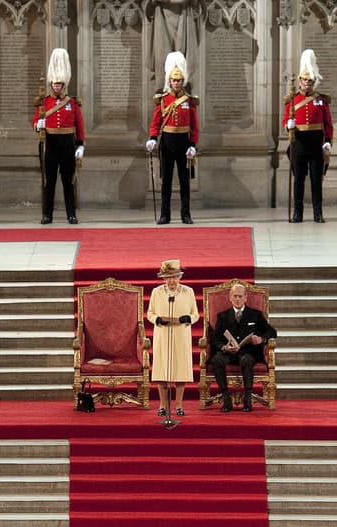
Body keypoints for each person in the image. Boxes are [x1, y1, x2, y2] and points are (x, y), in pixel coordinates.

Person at [146, 51, 199, 225]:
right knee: (166, 181)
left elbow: (194, 125)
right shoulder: (162, 100)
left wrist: (193, 145)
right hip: (167, 142)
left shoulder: (189, 101)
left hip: (184, 142)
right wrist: (153, 138)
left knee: (184, 181)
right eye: (173, 80)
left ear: (183, 81)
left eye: (179, 80)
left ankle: (186, 214)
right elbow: (156, 121)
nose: (176, 83)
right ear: (169, 81)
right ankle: (165, 214)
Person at [207, 283, 276, 413]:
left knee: (247, 361)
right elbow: (215, 339)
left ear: (245, 297)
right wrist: (224, 347)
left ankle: (248, 398)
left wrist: (261, 339)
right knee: (216, 360)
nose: (237, 299)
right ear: (230, 298)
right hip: (228, 352)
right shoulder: (222, 316)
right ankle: (226, 397)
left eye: (240, 296)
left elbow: (272, 332)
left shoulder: (256, 314)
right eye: (235, 296)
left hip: (247, 352)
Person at [33, 49, 83, 225]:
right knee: (50, 182)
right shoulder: (44, 102)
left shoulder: (71, 103)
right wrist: (38, 125)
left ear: (64, 84)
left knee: (68, 181)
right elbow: (35, 121)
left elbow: (79, 125)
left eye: (59, 84)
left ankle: (71, 214)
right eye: (54, 84)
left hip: (67, 145)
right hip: (50, 146)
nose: (56, 86)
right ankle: (47, 214)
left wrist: (80, 145)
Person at [282, 50, 332, 224]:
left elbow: (328, 124)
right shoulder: (292, 100)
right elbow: (284, 120)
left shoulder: (321, 100)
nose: (307, 84)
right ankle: (298, 212)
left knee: (316, 180)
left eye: (310, 81)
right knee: (299, 180)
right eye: (304, 81)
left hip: (316, 143)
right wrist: (287, 125)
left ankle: (318, 213)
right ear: (300, 81)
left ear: (313, 82)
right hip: (299, 143)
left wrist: (328, 142)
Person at [145, 259, 199, 417]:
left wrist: (186, 318)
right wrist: (158, 320)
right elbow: (150, 313)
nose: (171, 281)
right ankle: (162, 405)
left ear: (179, 277)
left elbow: (195, 314)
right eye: (168, 278)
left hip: (181, 334)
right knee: (162, 370)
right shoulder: (157, 292)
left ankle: (179, 406)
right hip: (162, 334)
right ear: (163, 278)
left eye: (174, 277)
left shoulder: (188, 291)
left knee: (180, 370)